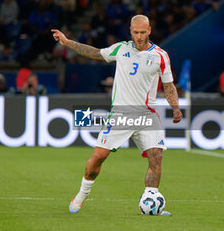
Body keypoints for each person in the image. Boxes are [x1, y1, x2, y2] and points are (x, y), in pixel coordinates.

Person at [52, 14, 182, 214]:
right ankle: (82, 194)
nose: (139, 36)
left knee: (156, 158)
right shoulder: (121, 49)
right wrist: (67, 42)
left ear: (149, 31)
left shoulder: (160, 56)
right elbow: (95, 53)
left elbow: (168, 85)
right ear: (131, 31)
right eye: (136, 32)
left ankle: (151, 200)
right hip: (121, 113)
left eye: (143, 32)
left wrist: (175, 107)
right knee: (97, 158)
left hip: (147, 115)